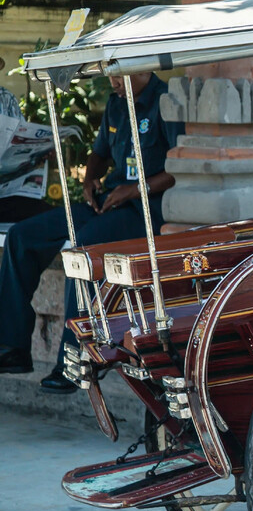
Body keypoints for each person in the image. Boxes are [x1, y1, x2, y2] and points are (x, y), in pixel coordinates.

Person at [0, 72, 182, 393]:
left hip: (146, 209)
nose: (111, 79)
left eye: (117, 71)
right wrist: (90, 178)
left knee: (84, 247)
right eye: (108, 70)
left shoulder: (167, 102)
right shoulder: (116, 104)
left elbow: (178, 168)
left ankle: (75, 360)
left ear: (141, 68)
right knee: (22, 237)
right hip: (109, 200)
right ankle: (12, 347)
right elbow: (99, 153)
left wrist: (134, 191)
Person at [0, 79, 53, 223]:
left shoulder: (4, 97)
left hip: (8, 194)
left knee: (53, 219)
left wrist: (39, 152)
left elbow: (20, 136)